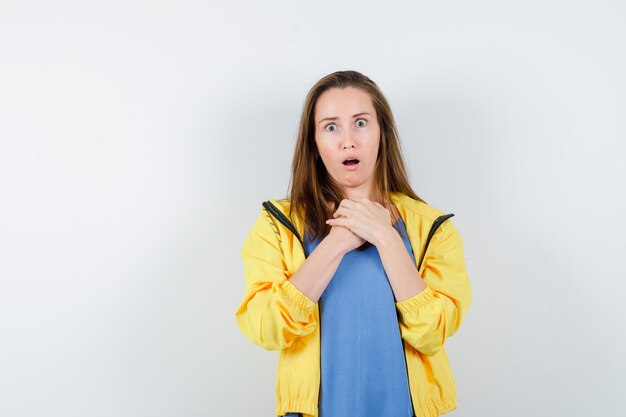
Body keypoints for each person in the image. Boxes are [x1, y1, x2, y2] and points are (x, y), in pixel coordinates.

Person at [234, 70, 472, 417]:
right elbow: (265, 327)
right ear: (314, 143)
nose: (348, 141)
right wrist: (337, 242)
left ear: (381, 134)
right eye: (331, 126)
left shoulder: (432, 229)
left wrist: (385, 237)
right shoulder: (277, 225)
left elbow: (432, 333)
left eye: (361, 123)